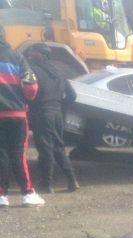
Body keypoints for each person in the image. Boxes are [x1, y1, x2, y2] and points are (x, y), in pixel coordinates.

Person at [0, 24, 44, 208]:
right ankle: (27, 193)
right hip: (17, 114)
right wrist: (26, 101)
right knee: (18, 154)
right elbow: (31, 86)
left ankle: (2, 197)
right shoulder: (18, 58)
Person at [26, 44, 79, 193]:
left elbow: (29, 92)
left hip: (42, 113)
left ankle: (46, 184)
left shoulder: (33, 71)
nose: (30, 56)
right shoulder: (59, 71)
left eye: (33, 53)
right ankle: (72, 180)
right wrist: (60, 106)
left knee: (45, 149)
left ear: (41, 55)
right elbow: (72, 95)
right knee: (59, 147)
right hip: (57, 114)